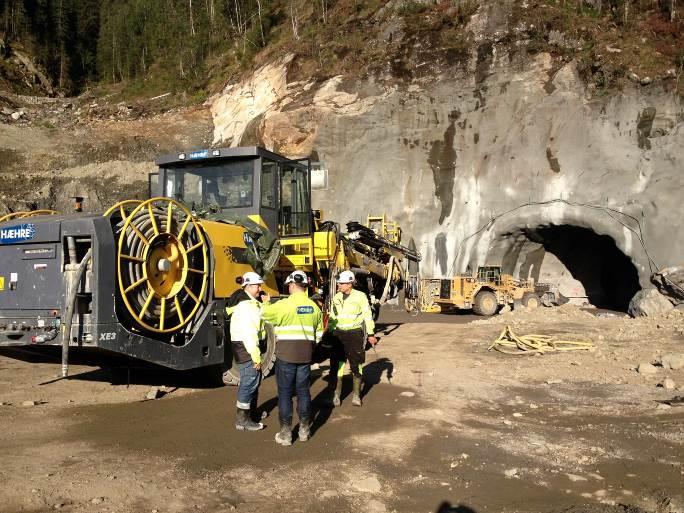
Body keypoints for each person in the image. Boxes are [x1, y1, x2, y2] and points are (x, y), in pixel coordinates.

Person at [262, 270, 323, 446]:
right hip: (305, 356)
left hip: (286, 355)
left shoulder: (283, 305)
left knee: (285, 394)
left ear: (291, 285)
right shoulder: (314, 307)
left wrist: (266, 303)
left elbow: (265, 316)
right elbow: (318, 333)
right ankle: (304, 430)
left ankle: (286, 434)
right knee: (304, 392)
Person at [328, 270, 378, 407]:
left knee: (356, 364)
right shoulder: (337, 297)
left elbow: (368, 316)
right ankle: (336, 395)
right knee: (337, 365)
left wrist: (371, 334)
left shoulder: (360, 297)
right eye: (339, 283)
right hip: (339, 334)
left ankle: (356, 395)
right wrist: (331, 331)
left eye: (342, 283)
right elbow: (333, 316)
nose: (339, 285)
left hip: (355, 334)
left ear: (350, 284)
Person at [227, 271, 267, 432]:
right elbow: (250, 334)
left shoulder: (248, 303)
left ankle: (251, 413)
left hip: (244, 347)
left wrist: (265, 304)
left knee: (253, 380)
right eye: (257, 286)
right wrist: (256, 358)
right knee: (249, 381)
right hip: (247, 348)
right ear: (248, 286)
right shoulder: (247, 307)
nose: (260, 289)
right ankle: (243, 419)